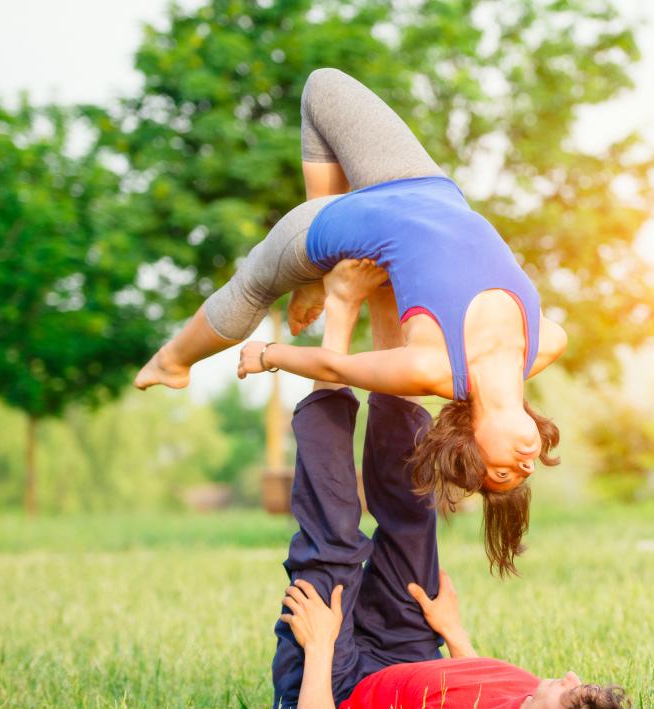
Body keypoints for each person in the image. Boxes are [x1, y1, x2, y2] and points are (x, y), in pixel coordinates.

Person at [136, 67, 567, 574]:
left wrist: (271, 355)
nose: (524, 463)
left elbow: (337, 369)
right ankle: (313, 276)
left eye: (503, 472)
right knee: (322, 86)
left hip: (339, 228)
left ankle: (172, 361)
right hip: (422, 185)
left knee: (253, 283)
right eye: (526, 471)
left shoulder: (433, 368)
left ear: (469, 443)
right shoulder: (545, 344)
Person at [266, 275, 640, 709]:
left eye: (568, 694)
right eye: (579, 684)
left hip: (334, 693)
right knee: (415, 521)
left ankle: (341, 308)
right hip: (406, 657)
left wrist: (319, 647)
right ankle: (385, 306)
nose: (568, 677)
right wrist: (453, 631)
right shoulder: (532, 696)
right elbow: (480, 691)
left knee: (333, 545)